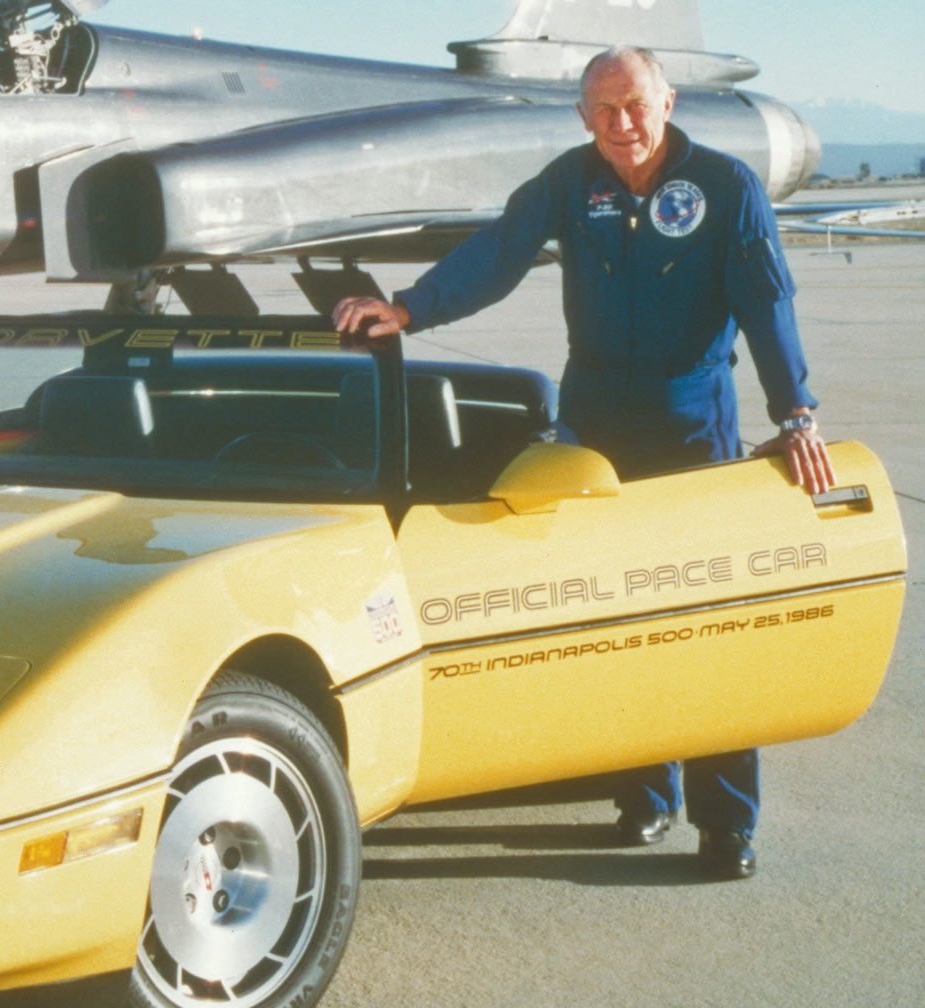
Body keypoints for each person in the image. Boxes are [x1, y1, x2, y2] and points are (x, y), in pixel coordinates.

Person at [331, 45, 834, 880]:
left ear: (668, 102)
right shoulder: (572, 183)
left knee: (705, 627)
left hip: (691, 427)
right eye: (602, 109)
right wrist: (409, 307)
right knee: (617, 620)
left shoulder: (725, 187)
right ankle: (644, 794)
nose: (621, 124)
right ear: (581, 117)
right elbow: (497, 252)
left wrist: (797, 413)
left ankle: (725, 821)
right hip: (596, 426)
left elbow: (766, 303)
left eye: (634, 104)